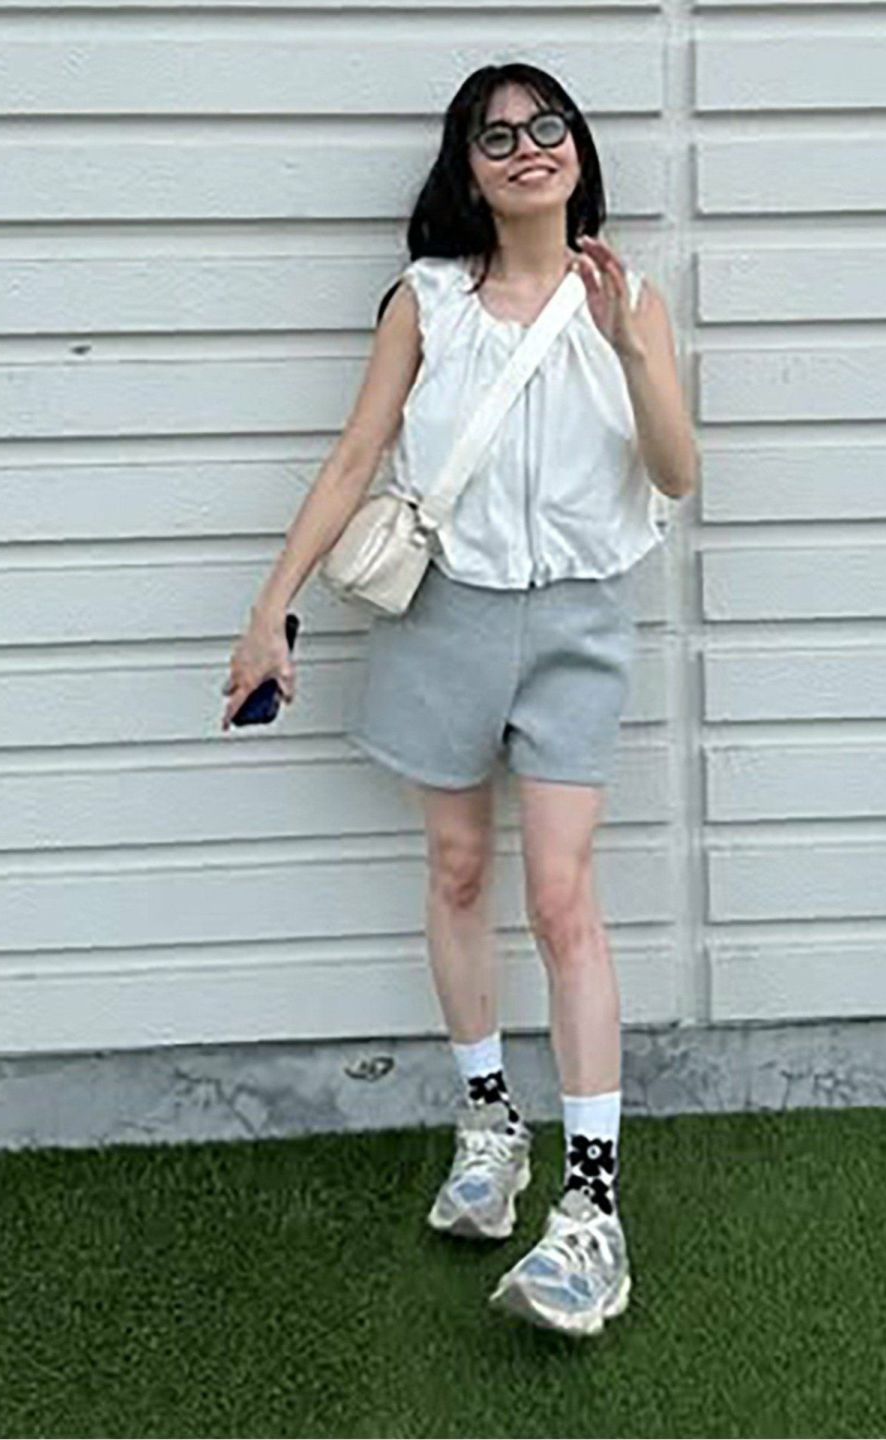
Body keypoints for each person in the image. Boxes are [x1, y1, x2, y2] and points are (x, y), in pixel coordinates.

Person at [219, 62, 698, 1338]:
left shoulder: (630, 298)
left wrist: (630, 351)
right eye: (498, 136)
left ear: (579, 151)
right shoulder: (427, 300)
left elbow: (676, 471)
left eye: (549, 126)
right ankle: (488, 1124)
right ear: (469, 169)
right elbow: (355, 456)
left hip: (580, 621)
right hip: (444, 616)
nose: (528, 147)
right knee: (455, 869)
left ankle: (592, 1211)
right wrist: (271, 608)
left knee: (562, 897)